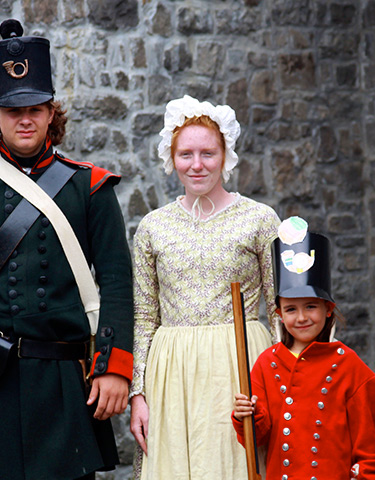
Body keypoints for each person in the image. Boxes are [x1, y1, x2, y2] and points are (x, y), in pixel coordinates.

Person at [0, 19, 133, 480]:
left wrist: (113, 366)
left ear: (52, 112)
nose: (25, 119)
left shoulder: (89, 187)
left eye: (35, 107)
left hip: (63, 385)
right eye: (13, 110)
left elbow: (116, 281)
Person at [129, 94, 281, 479]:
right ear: (171, 157)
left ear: (225, 155)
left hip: (239, 366)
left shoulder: (260, 220)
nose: (197, 165)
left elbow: (279, 308)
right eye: (186, 154)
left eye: (208, 154)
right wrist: (139, 395)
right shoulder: (153, 227)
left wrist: (285, 382)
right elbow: (146, 317)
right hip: (171, 371)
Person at [232, 218, 375, 480]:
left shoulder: (351, 367)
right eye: (291, 309)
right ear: (279, 314)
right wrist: (245, 415)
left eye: (311, 306)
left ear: (328, 309)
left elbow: (368, 453)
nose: (302, 317)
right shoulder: (266, 363)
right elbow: (257, 438)